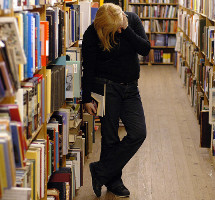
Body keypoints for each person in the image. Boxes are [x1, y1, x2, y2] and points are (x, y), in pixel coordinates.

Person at [81, 3, 150, 198]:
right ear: (104, 27)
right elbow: (89, 68)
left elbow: (144, 49)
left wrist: (126, 30)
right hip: (105, 87)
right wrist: (87, 98)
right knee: (110, 137)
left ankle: (101, 170)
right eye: (115, 28)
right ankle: (114, 181)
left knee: (138, 133)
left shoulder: (132, 20)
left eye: (120, 24)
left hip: (131, 87)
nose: (118, 29)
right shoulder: (92, 34)